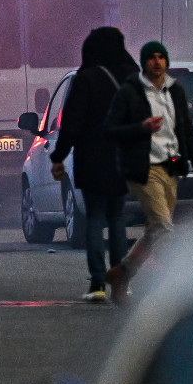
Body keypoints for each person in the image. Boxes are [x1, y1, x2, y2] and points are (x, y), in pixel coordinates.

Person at [104, 39, 193, 302]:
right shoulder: (130, 92)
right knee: (164, 228)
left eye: (161, 57)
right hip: (143, 170)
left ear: (166, 61)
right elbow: (110, 130)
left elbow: (186, 130)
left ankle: (122, 273)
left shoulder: (175, 91)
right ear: (144, 62)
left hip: (170, 168)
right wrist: (141, 127)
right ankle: (178, 285)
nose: (157, 61)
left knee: (154, 230)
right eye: (151, 57)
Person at [49, 27, 138, 302]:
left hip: (91, 158)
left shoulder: (85, 79)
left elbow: (72, 123)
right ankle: (122, 280)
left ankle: (98, 283)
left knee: (95, 219)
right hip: (123, 158)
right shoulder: (132, 77)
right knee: (118, 218)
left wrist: (58, 156)